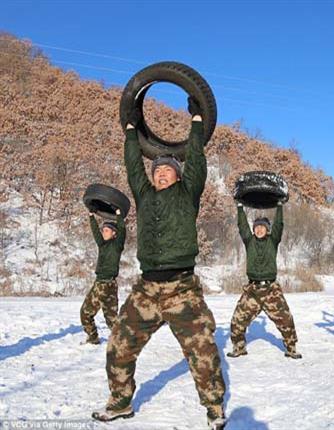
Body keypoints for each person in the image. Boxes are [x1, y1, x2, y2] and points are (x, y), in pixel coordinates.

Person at [92, 98, 226, 429]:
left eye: (167, 171)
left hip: (182, 288)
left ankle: (214, 408)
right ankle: (121, 402)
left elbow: (196, 160)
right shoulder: (145, 195)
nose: (161, 174)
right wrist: (130, 131)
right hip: (147, 288)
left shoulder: (188, 193)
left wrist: (196, 121)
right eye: (158, 171)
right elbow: (133, 166)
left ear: (178, 177)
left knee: (203, 351)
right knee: (118, 346)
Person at [227, 200, 301, 359]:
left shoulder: (273, 241)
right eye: (256, 227)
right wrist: (240, 207)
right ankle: (239, 348)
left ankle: (291, 348)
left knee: (286, 320)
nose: (259, 229)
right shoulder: (249, 241)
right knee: (236, 322)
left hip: (270, 291)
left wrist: (279, 206)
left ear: (267, 230)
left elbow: (279, 226)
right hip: (252, 291)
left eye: (262, 227)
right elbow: (242, 227)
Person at [81, 208, 125, 345]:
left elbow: (122, 231)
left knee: (86, 313)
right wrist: (91, 217)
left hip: (104, 285)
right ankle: (123, 342)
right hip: (106, 284)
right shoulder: (102, 245)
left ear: (114, 233)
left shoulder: (117, 245)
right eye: (103, 230)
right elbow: (95, 232)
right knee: (111, 319)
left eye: (106, 230)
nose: (103, 232)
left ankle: (95, 338)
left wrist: (119, 216)